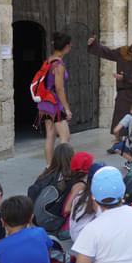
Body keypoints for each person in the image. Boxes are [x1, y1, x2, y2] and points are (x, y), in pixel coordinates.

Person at [87, 32, 132, 152]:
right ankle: (117, 143)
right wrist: (94, 45)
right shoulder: (123, 52)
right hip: (124, 91)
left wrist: (126, 78)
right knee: (119, 116)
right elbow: (109, 53)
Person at [36, 32, 73, 166]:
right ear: (67, 46)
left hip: (44, 104)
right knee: (65, 137)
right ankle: (63, 169)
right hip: (55, 104)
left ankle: (49, 167)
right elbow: (59, 89)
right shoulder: (59, 65)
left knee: (50, 136)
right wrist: (67, 108)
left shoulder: (48, 60)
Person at [69, 162, 106, 243]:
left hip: (75, 236)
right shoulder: (95, 198)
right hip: (84, 240)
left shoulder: (82, 193)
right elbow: (105, 220)